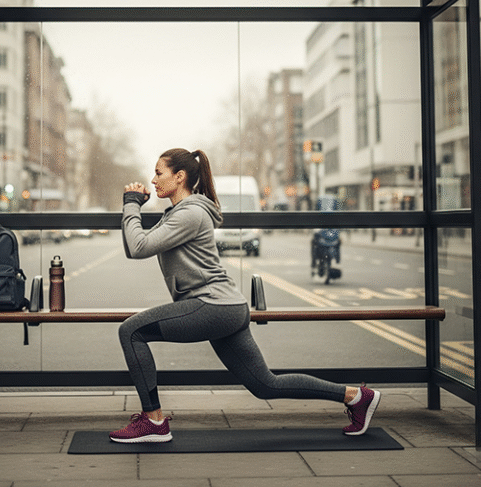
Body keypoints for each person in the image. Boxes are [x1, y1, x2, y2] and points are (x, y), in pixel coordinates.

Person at [109, 147, 380, 444]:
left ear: (180, 176)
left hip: (211, 305)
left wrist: (131, 204)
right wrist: (134, 207)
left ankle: (154, 421)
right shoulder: (180, 212)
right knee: (266, 386)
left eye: (159, 173)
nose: (153, 179)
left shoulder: (191, 213)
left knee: (131, 331)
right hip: (226, 307)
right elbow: (134, 244)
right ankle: (356, 397)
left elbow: (138, 248)